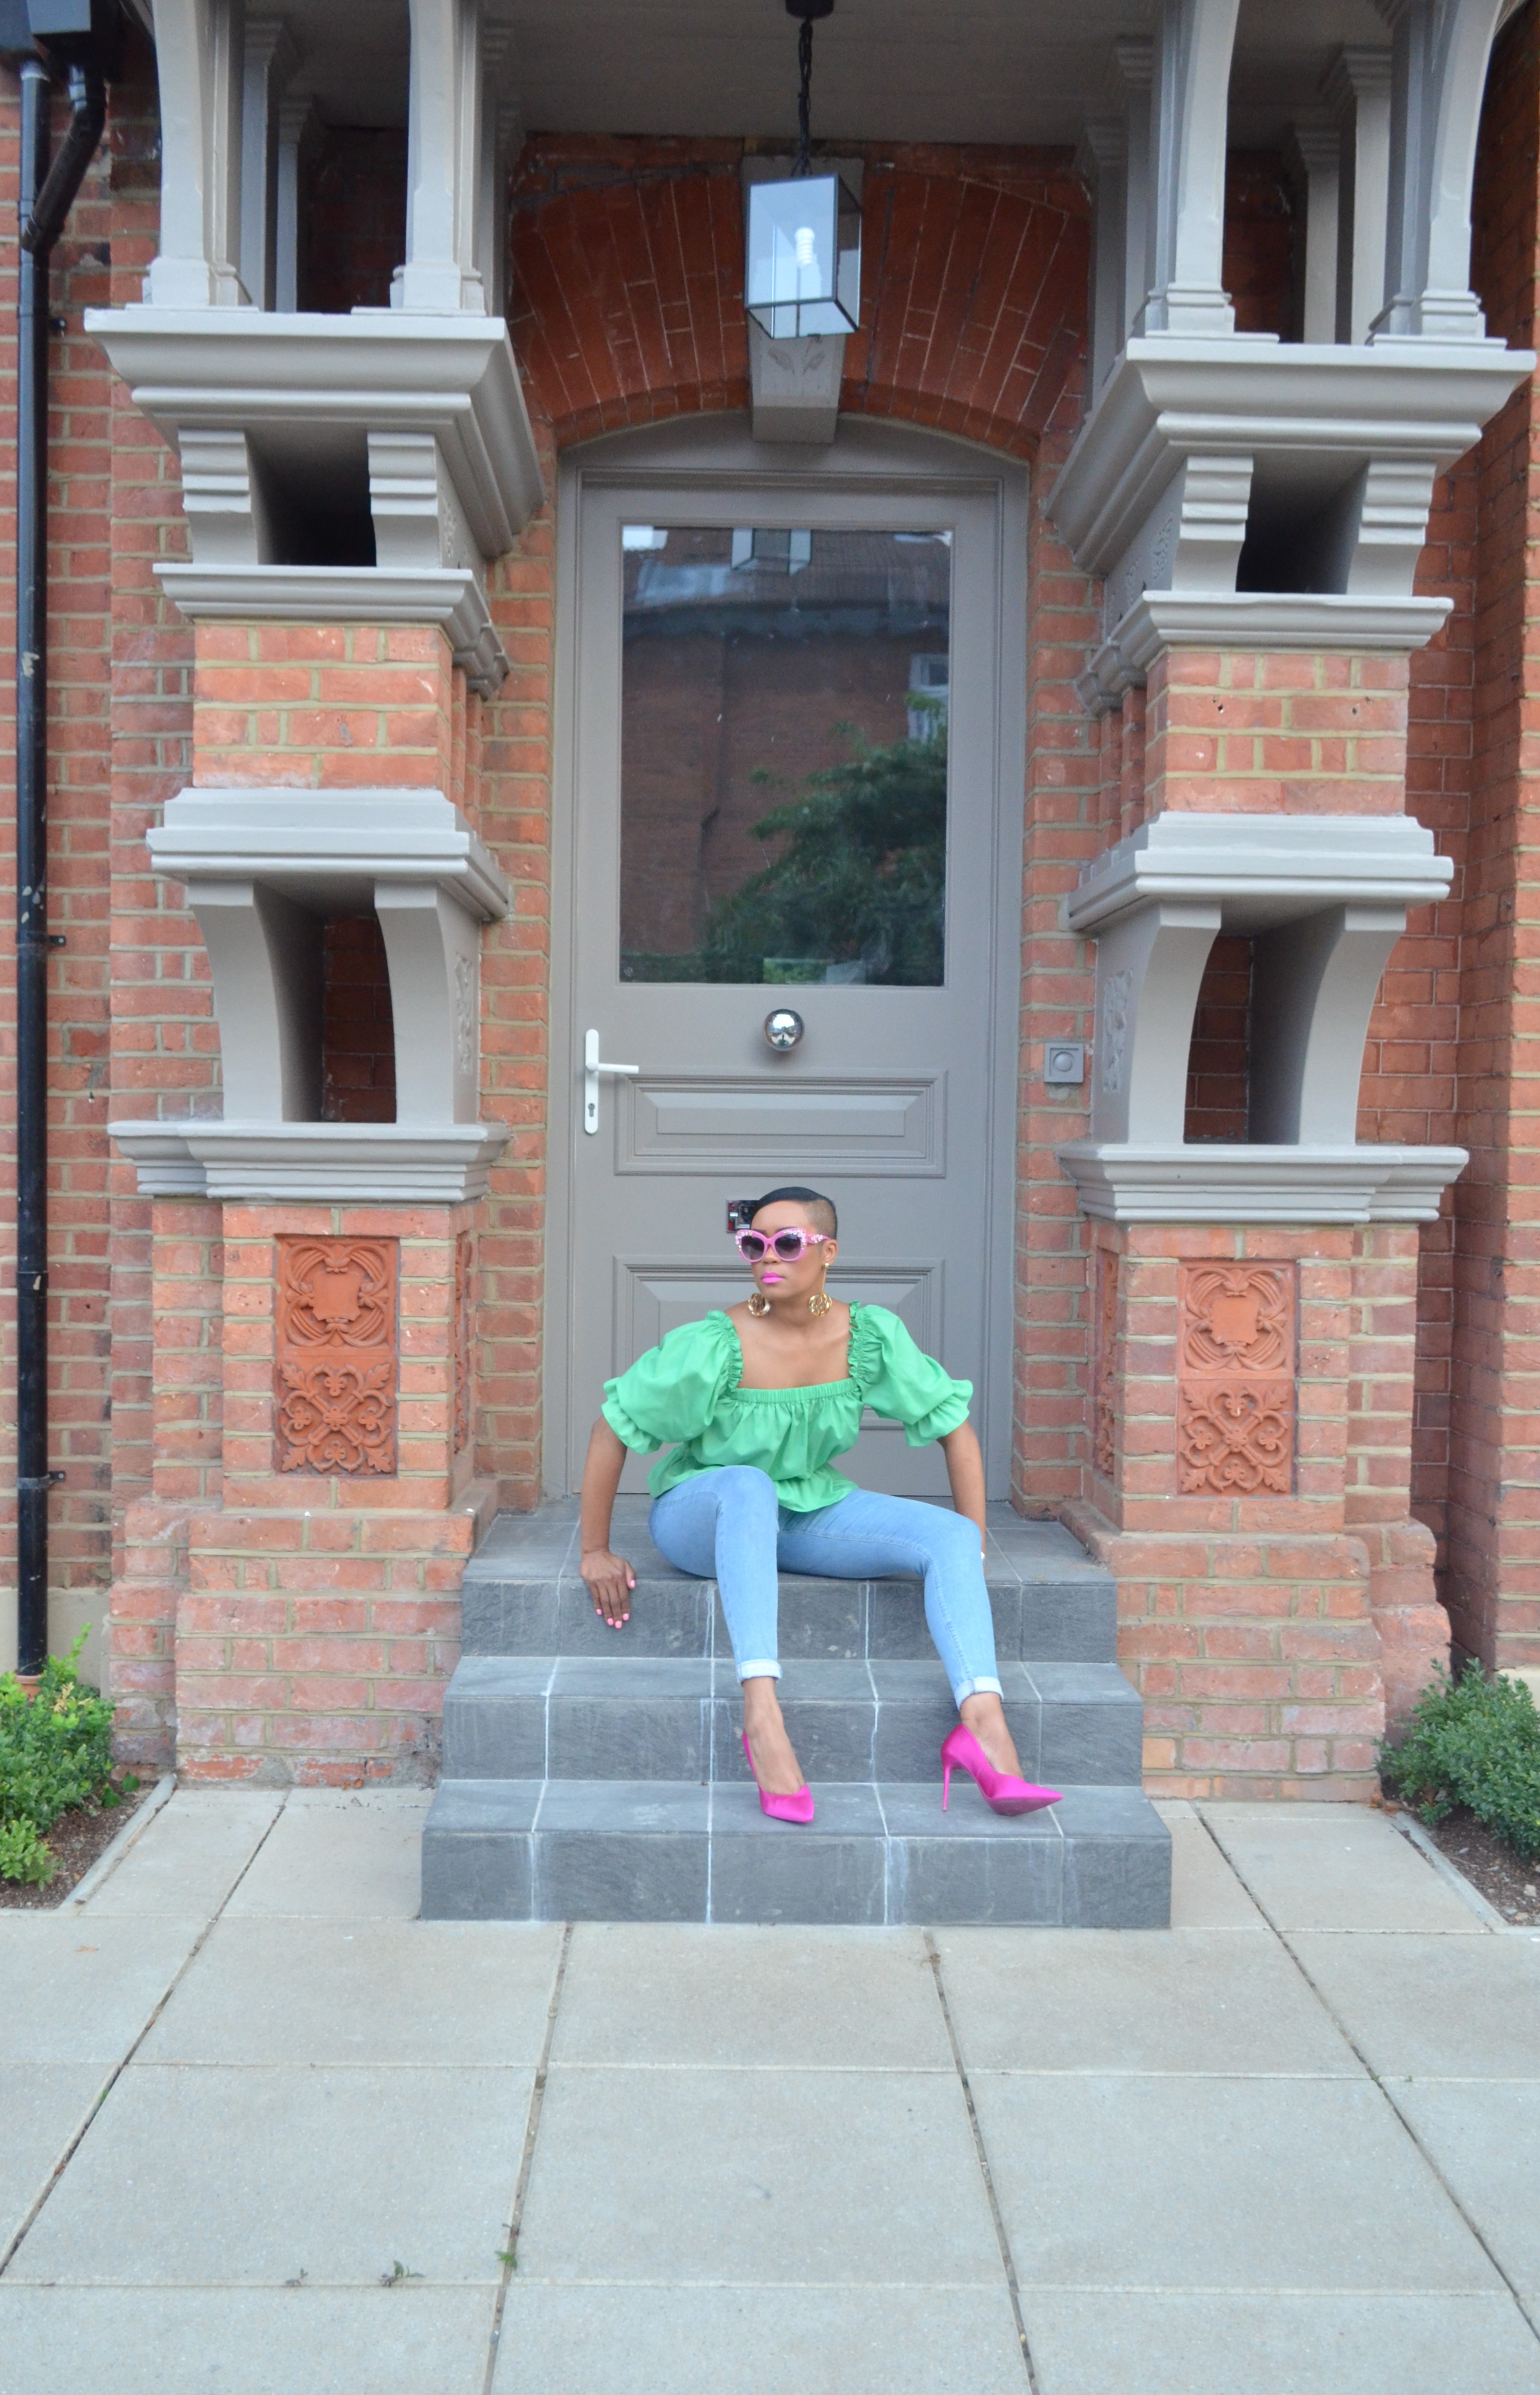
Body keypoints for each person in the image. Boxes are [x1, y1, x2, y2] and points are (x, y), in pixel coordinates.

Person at [578, 1185, 1061, 1826]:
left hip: (803, 1511)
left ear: (828, 1251)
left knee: (948, 1536)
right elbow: (612, 1426)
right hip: (704, 1516)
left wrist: (970, 1553)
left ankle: (984, 1727)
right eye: (753, 1244)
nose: (766, 1257)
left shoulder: (868, 1336)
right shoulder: (715, 1344)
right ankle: (763, 1716)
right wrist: (594, 1549)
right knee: (749, 1485)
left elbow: (953, 1426)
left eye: (786, 1243)